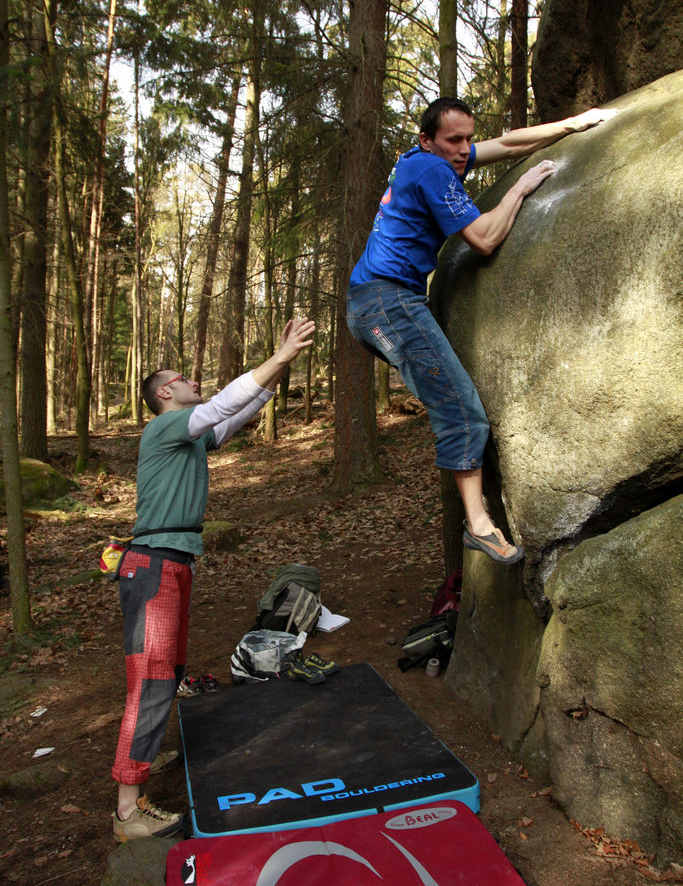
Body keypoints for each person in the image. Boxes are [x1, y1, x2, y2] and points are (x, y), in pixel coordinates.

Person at [346, 97, 615, 564]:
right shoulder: (431, 169)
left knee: (449, 397)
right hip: (387, 302)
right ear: (426, 140)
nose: (463, 149)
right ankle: (479, 526)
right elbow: (485, 239)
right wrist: (522, 189)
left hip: (374, 302)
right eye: (454, 140)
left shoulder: (419, 160)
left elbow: (508, 144)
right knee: (462, 410)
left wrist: (573, 123)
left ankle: (475, 520)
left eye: (468, 138)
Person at [111, 317, 315, 841]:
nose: (191, 381)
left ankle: (145, 757)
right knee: (153, 679)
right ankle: (128, 811)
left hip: (171, 564)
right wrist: (280, 355)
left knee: (169, 671)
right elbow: (223, 404)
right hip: (152, 565)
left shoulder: (191, 438)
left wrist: (281, 365)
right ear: (164, 392)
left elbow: (237, 413)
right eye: (182, 378)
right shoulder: (163, 427)